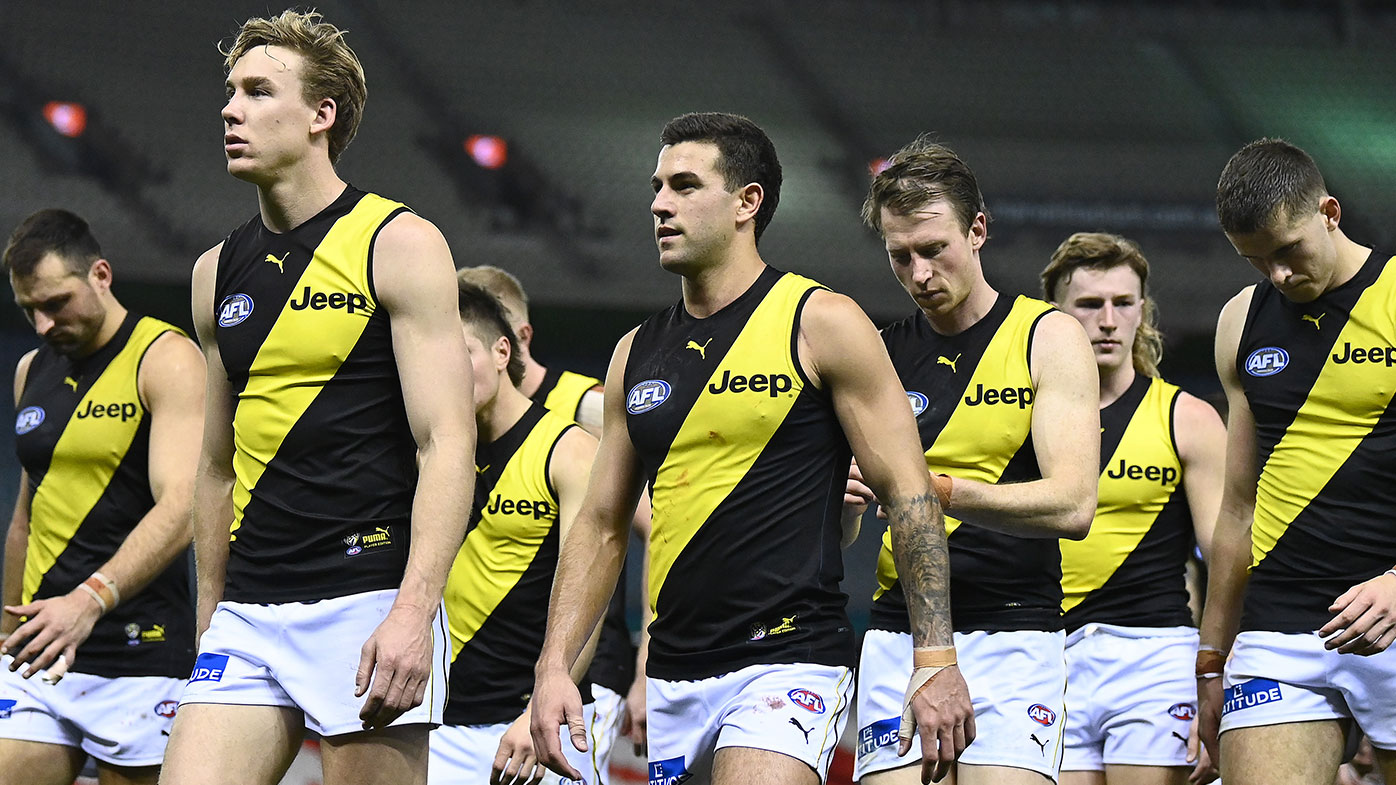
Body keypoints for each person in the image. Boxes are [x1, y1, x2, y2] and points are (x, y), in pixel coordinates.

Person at [530, 112, 974, 785]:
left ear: (747, 202)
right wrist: (554, 668)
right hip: (674, 673)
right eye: (657, 187)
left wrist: (935, 659)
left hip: (789, 659)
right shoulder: (633, 353)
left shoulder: (822, 322)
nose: (659, 204)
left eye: (684, 186)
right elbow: (599, 526)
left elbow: (911, 495)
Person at [159, 11, 475, 785]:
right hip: (249, 610)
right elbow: (215, 465)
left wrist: (413, 612)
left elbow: (447, 442)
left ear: (320, 116)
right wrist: (210, 615)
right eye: (231, 91)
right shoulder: (213, 272)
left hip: (367, 600)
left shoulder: (398, 243)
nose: (230, 109)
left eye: (258, 92)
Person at [850, 137, 1099, 785]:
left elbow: (1073, 505)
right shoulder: (877, 354)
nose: (920, 274)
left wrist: (935, 490)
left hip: (1014, 631)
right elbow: (845, 532)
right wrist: (844, 506)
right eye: (900, 256)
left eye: (935, 249)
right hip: (899, 632)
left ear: (978, 230)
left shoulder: (1047, 336)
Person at [1197, 138, 1396, 785]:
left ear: (1330, 213)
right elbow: (1238, 506)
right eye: (1256, 260)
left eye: (1287, 251)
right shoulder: (1242, 320)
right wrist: (1211, 655)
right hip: (1282, 628)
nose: (1277, 275)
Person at [0, 208, 204, 785]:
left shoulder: (165, 358)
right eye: (29, 309)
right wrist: (4, 634)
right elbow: (27, 517)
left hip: (139, 654)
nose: (43, 324)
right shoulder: (30, 370)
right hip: (39, 652)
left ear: (101, 275)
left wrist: (88, 601)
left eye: (56, 302)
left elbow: (183, 507)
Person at [1042, 232, 1225, 785]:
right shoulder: (1019, 419)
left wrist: (1216, 672)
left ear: (1142, 311)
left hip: (1153, 655)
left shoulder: (1187, 418)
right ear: (1054, 314)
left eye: (1123, 303)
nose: (1107, 321)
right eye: (1089, 304)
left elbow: (1227, 560)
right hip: (1046, 655)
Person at [458, 265, 651, 774]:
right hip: (476, 685)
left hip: (586, 666)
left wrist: (647, 664)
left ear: (512, 341)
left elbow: (656, 526)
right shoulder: (454, 427)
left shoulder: (584, 412)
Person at [429, 283, 601, 784]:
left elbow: (589, 592)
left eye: (464, 354)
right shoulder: (424, 450)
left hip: (534, 726)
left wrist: (538, 712)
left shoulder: (568, 451)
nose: (450, 373)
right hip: (433, 722)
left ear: (503, 352)